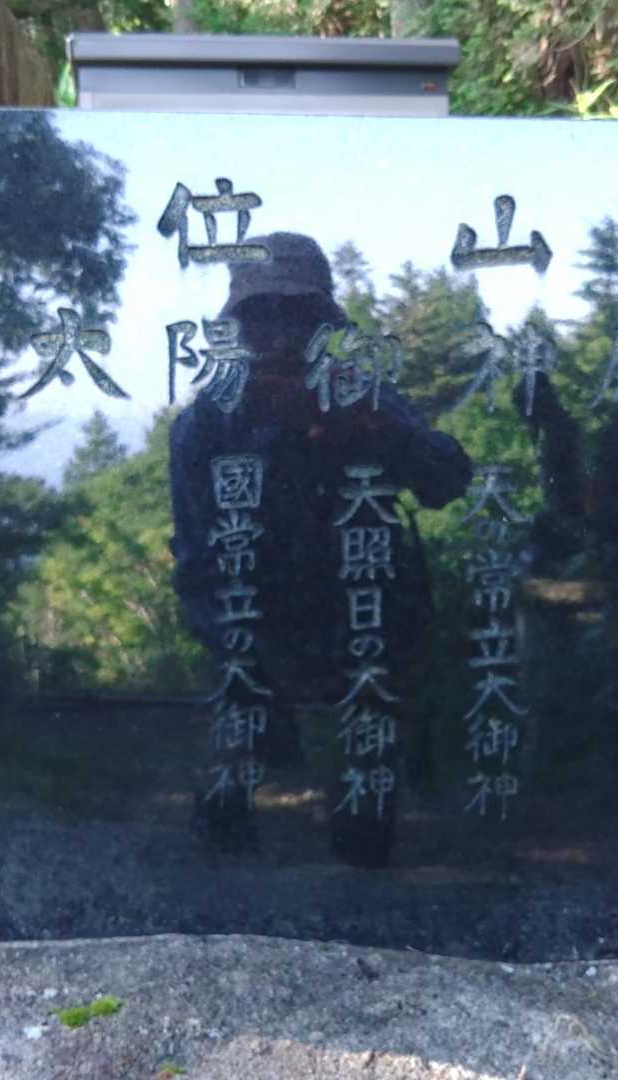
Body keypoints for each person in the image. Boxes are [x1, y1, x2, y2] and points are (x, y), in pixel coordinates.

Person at [168, 233, 472, 865]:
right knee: (228, 781)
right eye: (262, 314)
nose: (280, 332)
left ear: (321, 323)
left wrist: (369, 430)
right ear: (239, 326)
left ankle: (364, 859)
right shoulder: (206, 425)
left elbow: (448, 478)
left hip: (361, 623)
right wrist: (239, 651)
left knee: (366, 804)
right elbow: (197, 561)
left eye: (297, 313)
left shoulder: (362, 395)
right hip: (255, 625)